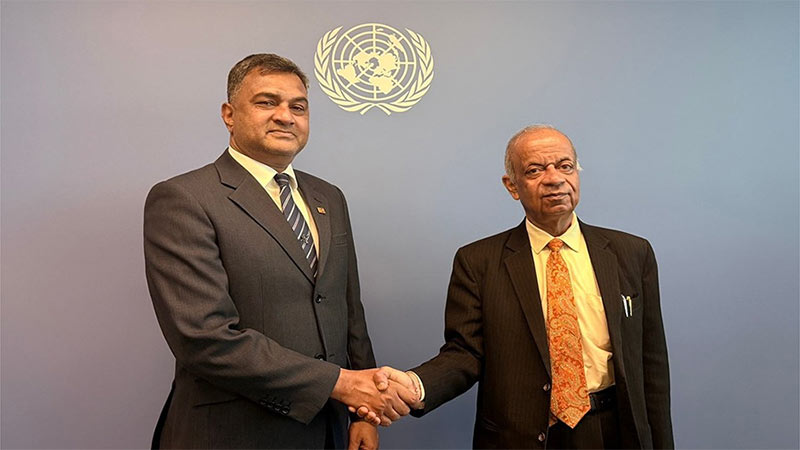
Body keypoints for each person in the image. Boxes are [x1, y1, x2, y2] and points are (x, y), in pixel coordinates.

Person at [144, 53, 412, 450]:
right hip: (231, 433)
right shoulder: (184, 198)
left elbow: (348, 312)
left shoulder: (328, 197)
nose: (285, 116)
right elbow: (203, 338)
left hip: (329, 430)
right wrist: (340, 385)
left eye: (298, 107)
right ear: (229, 114)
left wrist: (362, 414)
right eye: (267, 102)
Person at [369, 125, 674, 448]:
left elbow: (652, 365)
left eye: (565, 166)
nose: (555, 178)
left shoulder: (631, 253)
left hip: (613, 431)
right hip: (522, 437)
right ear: (512, 186)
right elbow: (465, 354)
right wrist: (416, 386)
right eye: (535, 170)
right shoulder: (478, 262)